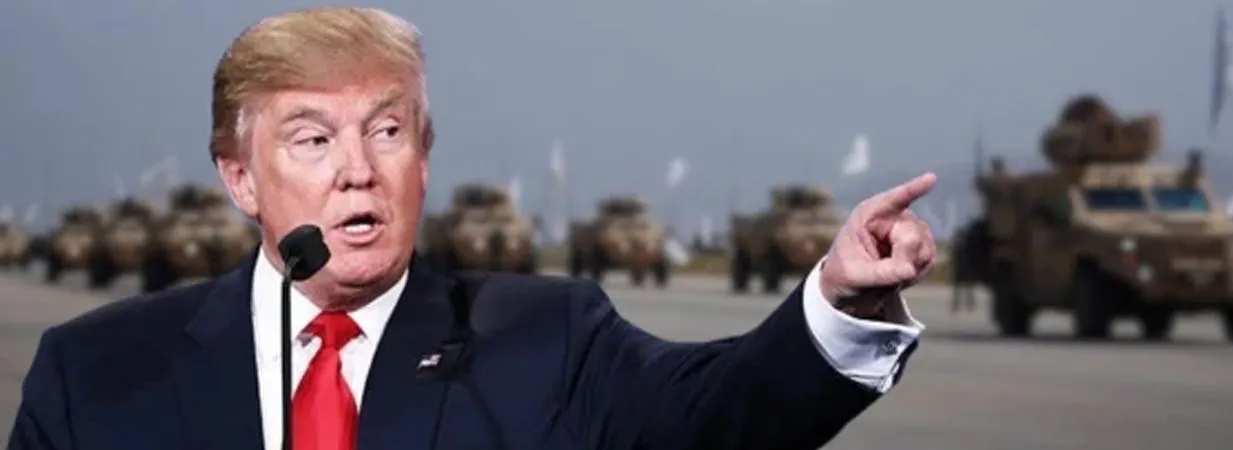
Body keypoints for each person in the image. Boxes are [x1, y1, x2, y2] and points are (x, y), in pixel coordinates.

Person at [8, 7, 939, 450]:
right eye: (313, 139)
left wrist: (837, 303)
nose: (359, 169)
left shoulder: (550, 340)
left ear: (424, 155)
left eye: (387, 132)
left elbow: (717, 417)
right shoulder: (93, 376)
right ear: (240, 177)